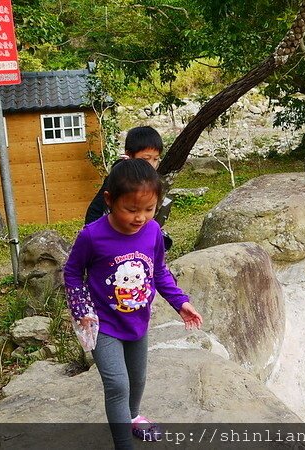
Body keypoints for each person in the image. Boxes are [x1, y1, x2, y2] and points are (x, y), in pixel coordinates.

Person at [64, 158, 203, 449]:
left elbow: (159, 271)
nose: (140, 217)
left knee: (137, 380)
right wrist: (81, 310)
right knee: (118, 385)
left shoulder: (153, 232)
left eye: (149, 209)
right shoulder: (92, 235)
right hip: (104, 324)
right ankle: (122, 444)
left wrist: (181, 302)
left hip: (137, 322)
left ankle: (134, 416)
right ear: (110, 200)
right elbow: (73, 272)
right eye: (131, 209)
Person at [84, 126, 174, 250]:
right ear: (129, 155)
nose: (151, 164)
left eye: (156, 159)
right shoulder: (122, 177)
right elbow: (102, 211)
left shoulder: (145, 178)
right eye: (146, 159)